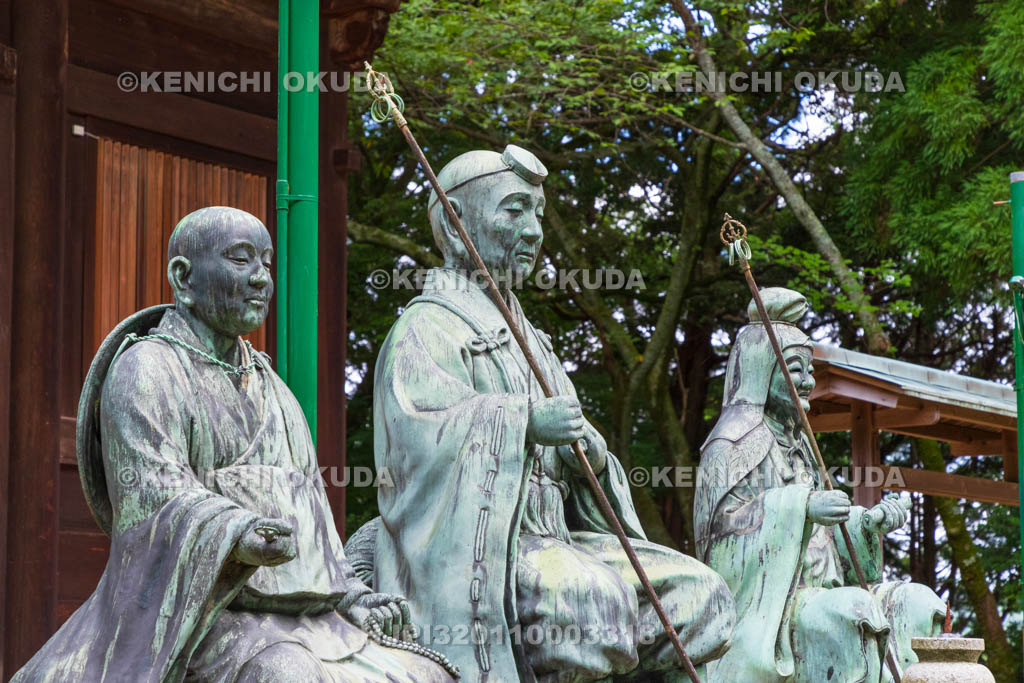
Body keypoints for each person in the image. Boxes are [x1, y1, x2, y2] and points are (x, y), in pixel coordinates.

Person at [13, 206, 454, 682]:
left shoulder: (272, 388)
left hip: (300, 613)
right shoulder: (146, 370)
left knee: (426, 671)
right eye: (240, 260)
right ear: (184, 278)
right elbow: (153, 496)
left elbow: (312, 517)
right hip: (202, 614)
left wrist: (352, 595)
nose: (262, 278)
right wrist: (236, 533)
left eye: (265, 262)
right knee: (288, 673)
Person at [370, 145, 735, 682]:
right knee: (588, 601)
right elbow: (418, 442)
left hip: (558, 537)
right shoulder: (426, 329)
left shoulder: (533, 341)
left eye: (538, 212)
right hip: (487, 548)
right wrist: (522, 422)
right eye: (514, 209)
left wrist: (585, 450)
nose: (535, 230)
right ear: (454, 225)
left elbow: (577, 445)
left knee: (701, 598)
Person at [695, 287, 946, 683]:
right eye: (796, 370)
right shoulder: (731, 443)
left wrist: (865, 523)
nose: (809, 381)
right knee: (853, 611)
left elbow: (831, 538)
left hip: (825, 589)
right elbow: (718, 546)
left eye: (810, 370)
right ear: (763, 371)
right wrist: (799, 507)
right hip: (772, 608)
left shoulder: (800, 445)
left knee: (916, 602)